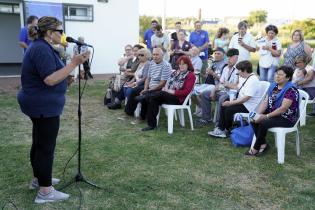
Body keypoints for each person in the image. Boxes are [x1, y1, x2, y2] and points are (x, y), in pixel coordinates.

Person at [17, 16, 90, 203]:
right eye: (60, 31)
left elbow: (52, 75)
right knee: (45, 148)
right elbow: (49, 79)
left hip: (39, 103)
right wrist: (73, 64)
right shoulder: (41, 48)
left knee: (39, 142)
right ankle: (45, 192)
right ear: (49, 33)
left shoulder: (43, 46)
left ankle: (39, 179)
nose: (63, 34)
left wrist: (65, 77)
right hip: (42, 105)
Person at [245, 66, 299, 156]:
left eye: (281, 75)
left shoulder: (291, 89)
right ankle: (263, 144)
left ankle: (255, 148)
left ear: (288, 77)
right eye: (277, 74)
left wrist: (265, 116)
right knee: (253, 119)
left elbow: (283, 109)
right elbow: (265, 101)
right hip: (273, 114)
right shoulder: (273, 86)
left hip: (286, 118)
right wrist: (258, 114)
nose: (277, 76)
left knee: (263, 123)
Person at [141, 55, 196, 131]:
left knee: (159, 94)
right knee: (153, 99)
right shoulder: (175, 73)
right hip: (168, 95)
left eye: (183, 64)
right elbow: (168, 83)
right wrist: (165, 88)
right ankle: (151, 125)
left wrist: (171, 91)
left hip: (180, 99)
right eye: (180, 64)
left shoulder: (191, 75)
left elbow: (186, 92)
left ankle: (147, 95)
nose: (181, 66)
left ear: (188, 65)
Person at [208, 60, 261, 138]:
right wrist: (228, 85)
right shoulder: (245, 77)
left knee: (229, 108)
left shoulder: (253, 80)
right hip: (243, 102)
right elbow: (238, 87)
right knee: (224, 103)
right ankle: (221, 128)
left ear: (245, 71)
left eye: (239, 70)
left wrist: (231, 103)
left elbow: (246, 98)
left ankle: (225, 129)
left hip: (249, 106)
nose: (238, 73)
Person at [196, 48, 239, 127]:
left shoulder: (239, 69)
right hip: (222, 91)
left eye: (230, 58)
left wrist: (227, 84)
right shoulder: (226, 68)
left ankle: (219, 123)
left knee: (222, 98)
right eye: (228, 57)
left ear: (236, 58)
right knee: (205, 94)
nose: (228, 60)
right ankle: (206, 118)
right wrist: (213, 90)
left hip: (232, 94)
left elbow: (238, 86)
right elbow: (220, 83)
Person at [133, 47, 172, 120]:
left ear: (162, 55)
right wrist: (145, 88)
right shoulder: (152, 63)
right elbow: (148, 78)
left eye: (157, 55)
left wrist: (149, 90)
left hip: (160, 88)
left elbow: (162, 83)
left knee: (146, 96)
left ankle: (143, 117)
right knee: (134, 91)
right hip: (150, 87)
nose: (155, 56)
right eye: (153, 54)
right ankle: (129, 112)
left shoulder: (166, 65)